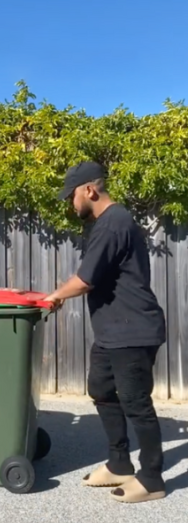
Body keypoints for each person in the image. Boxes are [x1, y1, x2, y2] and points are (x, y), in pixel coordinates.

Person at [44, 160, 167, 504]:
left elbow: (85, 280)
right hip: (113, 329)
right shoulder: (106, 223)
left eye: (71, 197)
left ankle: (153, 478)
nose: (71, 204)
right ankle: (119, 462)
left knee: (135, 402)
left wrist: (54, 296)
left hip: (133, 329)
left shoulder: (114, 223)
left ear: (89, 190)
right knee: (100, 389)